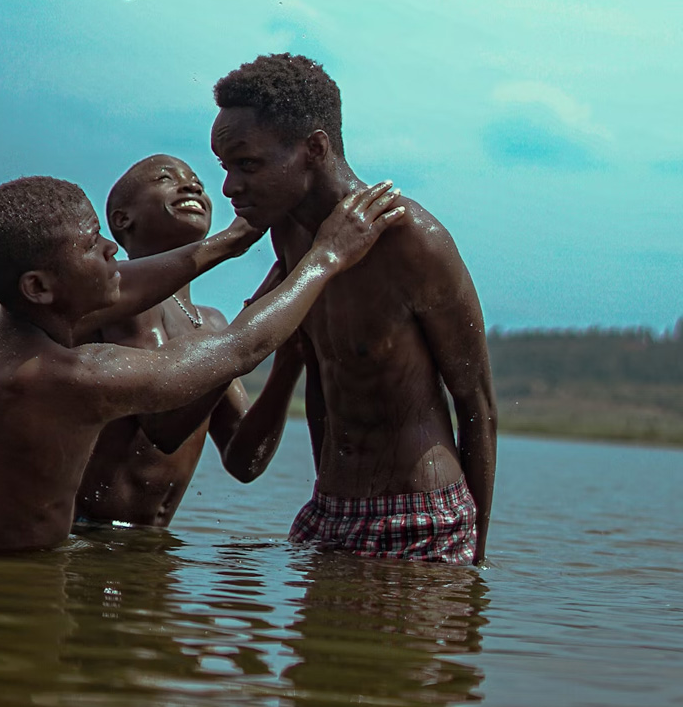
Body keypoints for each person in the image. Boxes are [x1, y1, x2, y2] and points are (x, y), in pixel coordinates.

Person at [0, 172, 402, 554]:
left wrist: (228, 243)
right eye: (93, 246)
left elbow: (127, 288)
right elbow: (237, 350)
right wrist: (327, 257)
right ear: (40, 287)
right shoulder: (68, 378)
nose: (110, 249)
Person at [211, 52, 497, 565]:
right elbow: (323, 372)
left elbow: (476, 403)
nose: (230, 186)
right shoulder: (292, 232)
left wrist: (476, 562)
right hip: (331, 509)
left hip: (421, 517)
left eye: (248, 165)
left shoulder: (411, 240)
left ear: (314, 148)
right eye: (226, 167)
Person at [74, 154, 297, 527]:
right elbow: (162, 424)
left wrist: (288, 362)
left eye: (197, 181)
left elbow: (245, 462)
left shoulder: (212, 324)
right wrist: (249, 332)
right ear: (122, 219)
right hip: (92, 541)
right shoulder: (116, 297)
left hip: (152, 549)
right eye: (166, 177)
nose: (192, 185)